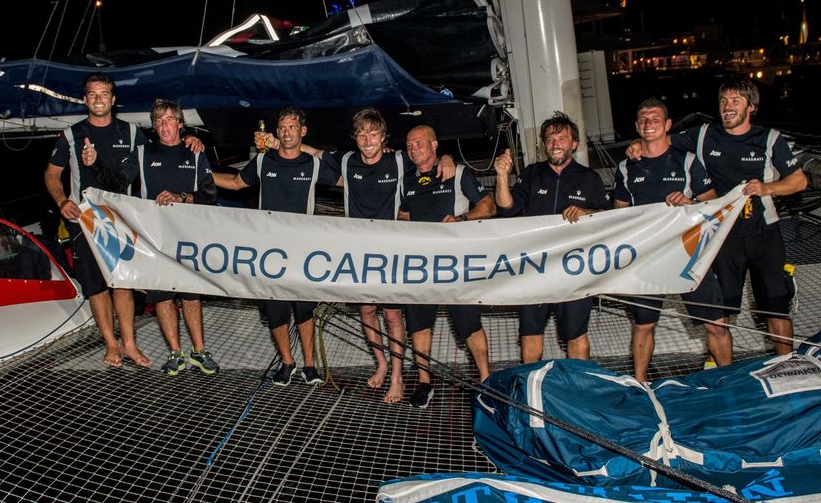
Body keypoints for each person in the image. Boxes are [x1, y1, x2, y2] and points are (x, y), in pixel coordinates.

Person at [257, 108, 455, 403]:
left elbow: (424, 158)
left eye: (373, 133)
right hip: (358, 252)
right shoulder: (347, 162)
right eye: (362, 134)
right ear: (355, 138)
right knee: (366, 310)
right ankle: (382, 364)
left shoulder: (398, 160)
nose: (367, 139)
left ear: (384, 137)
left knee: (391, 314)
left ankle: (398, 376)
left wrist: (447, 158)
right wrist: (275, 144)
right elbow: (315, 153)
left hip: (391, 250)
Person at [627, 77, 807, 355]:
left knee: (775, 308)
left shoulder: (769, 138)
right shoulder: (702, 135)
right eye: (723, 101)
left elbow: (799, 181)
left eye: (735, 100)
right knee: (720, 312)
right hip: (721, 238)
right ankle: (720, 366)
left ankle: (789, 364)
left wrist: (767, 188)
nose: (728, 106)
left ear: (751, 107)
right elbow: (658, 138)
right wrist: (638, 144)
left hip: (764, 234)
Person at [86, 99, 220, 376]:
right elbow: (117, 184)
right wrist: (96, 163)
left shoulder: (195, 153)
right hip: (154, 237)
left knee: (191, 294)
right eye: (159, 121)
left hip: (188, 236)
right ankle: (175, 352)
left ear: (181, 124)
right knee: (162, 295)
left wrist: (183, 197)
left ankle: (199, 350)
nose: (164, 125)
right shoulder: (142, 153)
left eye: (170, 119)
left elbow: (210, 194)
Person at [216, 108, 339, 386]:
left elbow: (346, 179)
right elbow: (236, 182)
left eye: (292, 127)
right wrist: (202, 173)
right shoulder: (262, 161)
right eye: (282, 128)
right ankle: (287, 362)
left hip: (303, 251)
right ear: (276, 131)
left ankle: (309, 365)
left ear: (302, 131)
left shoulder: (312, 164)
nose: (286, 132)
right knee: (276, 311)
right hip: (268, 252)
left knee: (304, 309)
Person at [613, 98, 731, 382]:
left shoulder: (688, 161)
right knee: (643, 325)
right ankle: (640, 385)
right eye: (642, 119)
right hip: (647, 257)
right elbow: (618, 214)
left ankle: (729, 381)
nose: (648, 123)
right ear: (636, 126)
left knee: (716, 325)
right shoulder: (627, 167)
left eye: (655, 118)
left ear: (667, 125)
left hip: (688, 253)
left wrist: (689, 202)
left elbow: (714, 204)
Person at [44, 72, 150, 368]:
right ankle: (111, 344)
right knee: (96, 286)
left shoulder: (131, 132)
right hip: (84, 220)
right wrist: (62, 201)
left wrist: (191, 139)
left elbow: (157, 159)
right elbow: (52, 174)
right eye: (92, 94)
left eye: (104, 94)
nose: (98, 99)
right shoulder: (71, 134)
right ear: (85, 99)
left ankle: (129, 343)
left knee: (123, 283)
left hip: (121, 220)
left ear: (113, 100)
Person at [494, 112, 609, 364]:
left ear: (574, 144)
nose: (555, 143)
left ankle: (577, 387)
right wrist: (502, 177)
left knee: (575, 334)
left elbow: (609, 219)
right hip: (535, 267)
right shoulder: (532, 173)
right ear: (544, 144)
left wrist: (587, 212)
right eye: (550, 139)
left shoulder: (590, 179)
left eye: (562, 138)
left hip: (574, 269)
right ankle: (531, 389)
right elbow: (506, 208)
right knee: (530, 333)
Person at [397, 124, 495, 408]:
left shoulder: (458, 172)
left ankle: (486, 381)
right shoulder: (406, 181)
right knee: (418, 326)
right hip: (419, 267)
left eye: (419, 143)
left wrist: (461, 219)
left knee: (470, 325)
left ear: (434, 145)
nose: (414, 149)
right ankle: (425, 383)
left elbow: (489, 207)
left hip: (456, 266)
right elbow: (403, 215)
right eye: (410, 145)